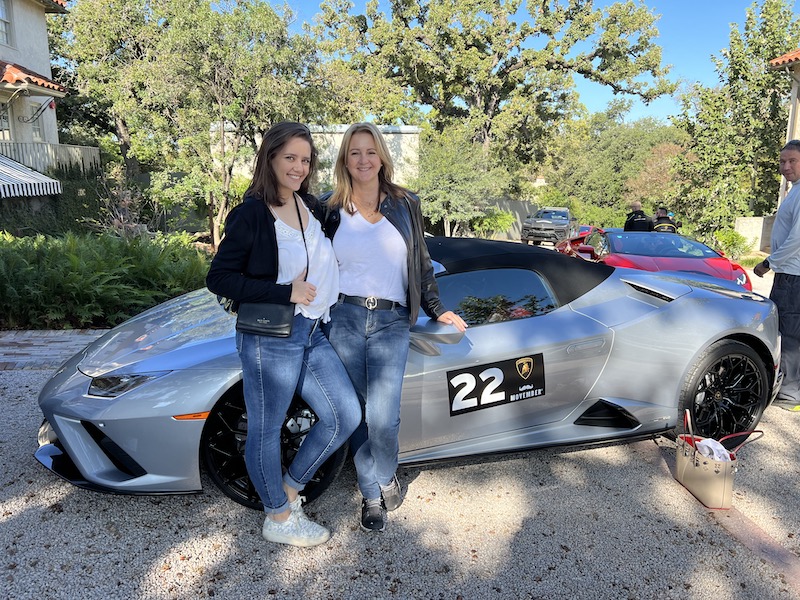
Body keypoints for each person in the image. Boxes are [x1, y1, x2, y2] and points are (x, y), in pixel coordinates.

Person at [206, 122, 361, 546]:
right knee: (265, 428)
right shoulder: (252, 212)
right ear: (270, 158)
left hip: (312, 331)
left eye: (305, 160)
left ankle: (289, 491)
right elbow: (218, 278)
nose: (298, 166)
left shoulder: (307, 205)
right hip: (271, 337)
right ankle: (277, 518)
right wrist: (284, 291)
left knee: (345, 415)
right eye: (289, 157)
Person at [321, 122, 468, 532]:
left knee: (383, 418)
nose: (363, 160)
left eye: (370, 151)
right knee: (356, 414)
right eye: (354, 153)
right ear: (344, 160)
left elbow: (420, 261)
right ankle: (372, 495)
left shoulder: (405, 203)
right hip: (344, 319)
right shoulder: (329, 208)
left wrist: (437, 308)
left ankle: (386, 475)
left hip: (390, 321)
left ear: (382, 156)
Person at [754, 139, 800, 412]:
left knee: (789, 333)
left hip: (792, 275)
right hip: (791, 273)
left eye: (792, 161)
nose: (785, 167)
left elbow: (796, 239)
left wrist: (769, 262)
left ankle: (791, 392)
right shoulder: (794, 191)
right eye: (783, 162)